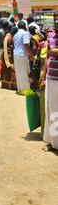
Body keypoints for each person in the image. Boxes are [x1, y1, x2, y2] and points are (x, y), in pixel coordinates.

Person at [43, 20, 58, 151]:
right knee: (52, 111)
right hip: (51, 78)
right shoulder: (51, 36)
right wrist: (43, 76)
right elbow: (46, 58)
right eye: (56, 19)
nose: (57, 21)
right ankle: (54, 142)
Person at [13, 20, 33, 92]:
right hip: (22, 55)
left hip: (15, 55)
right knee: (24, 72)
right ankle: (25, 90)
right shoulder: (25, 34)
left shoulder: (15, 35)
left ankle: (20, 89)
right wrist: (31, 56)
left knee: (18, 72)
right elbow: (26, 45)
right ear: (25, 27)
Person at [0, 24, 17, 90]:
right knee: (11, 69)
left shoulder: (6, 36)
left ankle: (5, 84)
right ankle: (12, 85)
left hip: (5, 54)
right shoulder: (11, 37)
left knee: (5, 70)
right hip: (10, 55)